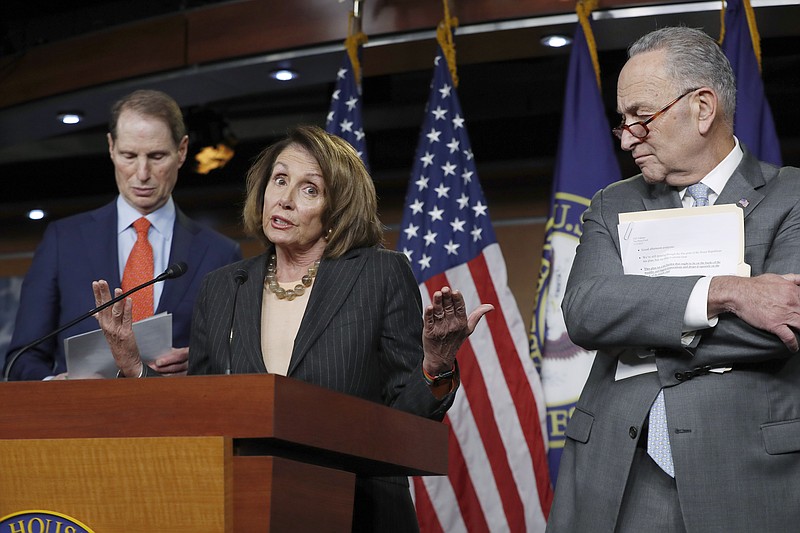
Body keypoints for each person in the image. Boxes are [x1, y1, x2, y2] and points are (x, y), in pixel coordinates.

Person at [93, 124, 493, 531]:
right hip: (248, 507)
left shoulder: (379, 273)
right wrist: (133, 366)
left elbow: (407, 418)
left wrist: (437, 363)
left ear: (336, 210)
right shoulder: (221, 286)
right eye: (280, 180)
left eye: (309, 189)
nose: (283, 199)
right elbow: (201, 414)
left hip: (358, 510)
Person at [547, 26, 800, 532]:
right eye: (622, 121)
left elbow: (782, 324)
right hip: (620, 472)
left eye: (641, 117)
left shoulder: (791, 195)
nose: (626, 137)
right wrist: (722, 292)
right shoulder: (610, 203)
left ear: (703, 108)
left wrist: (638, 328)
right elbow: (586, 311)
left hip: (750, 473)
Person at [4, 89, 242, 381]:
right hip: (80, 419)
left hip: (178, 421)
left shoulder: (220, 253)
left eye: (156, 156)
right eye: (129, 155)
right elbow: (21, 359)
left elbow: (235, 363)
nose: (142, 173)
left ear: (181, 151)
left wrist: (200, 362)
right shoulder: (62, 241)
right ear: (111, 147)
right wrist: (55, 385)